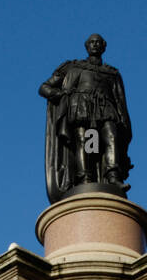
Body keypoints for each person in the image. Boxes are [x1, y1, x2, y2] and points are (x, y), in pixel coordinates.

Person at [39, 33, 133, 202]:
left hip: (106, 109)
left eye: (98, 42)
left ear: (104, 46)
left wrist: (124, 123)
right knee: (86, 141)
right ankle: (85, 178)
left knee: (110, 136)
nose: (95, 45)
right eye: (91, 42)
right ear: (86, 46)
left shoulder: (112, 73)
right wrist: (60, 95)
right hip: (82, 109)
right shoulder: (73, 67)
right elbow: (44, 87)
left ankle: (113, 176)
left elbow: (120, 99)